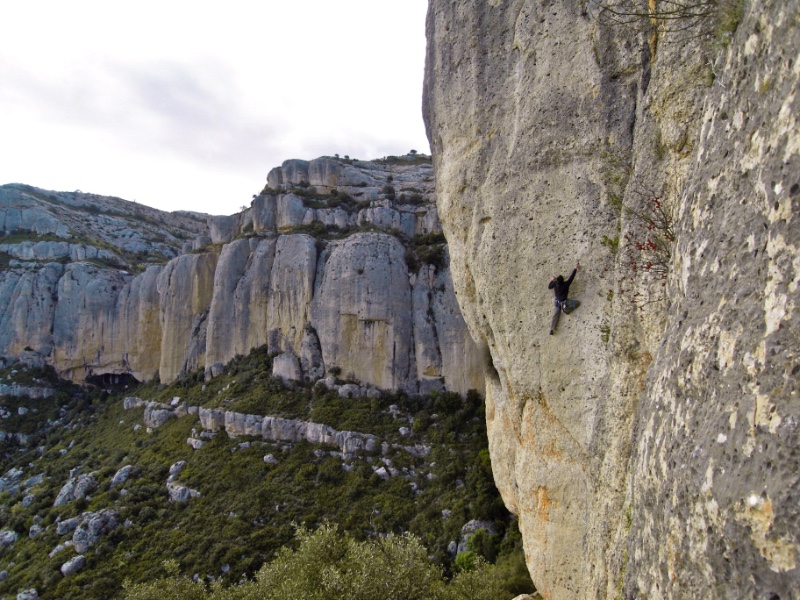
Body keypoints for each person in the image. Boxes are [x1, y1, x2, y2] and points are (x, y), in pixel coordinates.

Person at [548, 263, 580, 335]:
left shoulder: (555, 284)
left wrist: (553, 280)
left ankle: (552, 329)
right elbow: (571, 277)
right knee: (577, 303)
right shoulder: (566, 284)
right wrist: (575, 268)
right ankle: (566, 310)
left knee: (556, 315)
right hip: (564, 302)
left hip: (557, 303)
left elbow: (549, 287)